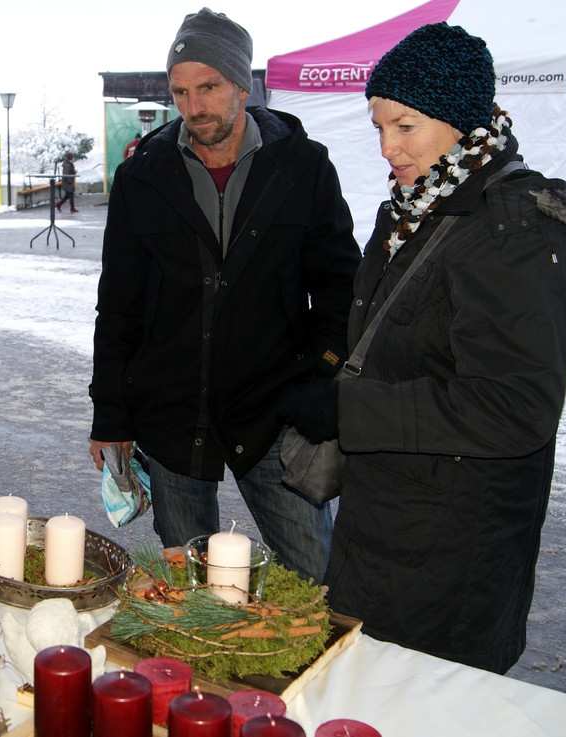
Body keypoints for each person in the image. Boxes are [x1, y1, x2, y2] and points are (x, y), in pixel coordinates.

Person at [278, 23, 566, 673]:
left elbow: (513, 407)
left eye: (406, 126)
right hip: (385, 524)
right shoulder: (417, 208)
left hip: (451, 554)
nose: (387, 148)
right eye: (378, 127)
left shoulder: (515, 229)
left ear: (459, 119)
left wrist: (348, 411)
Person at [88, 8, 360, 584]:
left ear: (241, 85)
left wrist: (320, 375)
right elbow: (118, 307)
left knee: (316, 580)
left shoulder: (303, 166)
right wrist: (110, 415)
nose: (194, 107)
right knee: (189, 591)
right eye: (180, 92)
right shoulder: (142, 177)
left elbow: (341, 285)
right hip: (171, 417)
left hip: (273, 414)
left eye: (208, 87)